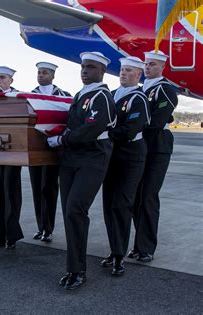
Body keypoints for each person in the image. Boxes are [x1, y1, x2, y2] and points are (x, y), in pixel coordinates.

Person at [47, 52, 116, 290]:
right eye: (83, 67)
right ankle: (73, 267)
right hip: (71, 159)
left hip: (93, 157)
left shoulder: (102, 96)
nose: (85, 71)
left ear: (102, 71)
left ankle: (77, 270)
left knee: (76, 209)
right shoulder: (80, 95)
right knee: (68, 212)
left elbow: (91, 127)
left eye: (91, 67)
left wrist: (62, 139)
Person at [100, 56, 149, 276]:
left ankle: (120, 256)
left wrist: (102, 132)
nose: (123, 73)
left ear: (139, 75)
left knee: (121, 205)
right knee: (109, 204)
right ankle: (114, 250)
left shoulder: (139, 98)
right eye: (122, 70)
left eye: (129, 71)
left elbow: (129, 130)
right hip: (111, 156)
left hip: (130, 156)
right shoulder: (112, 95)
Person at [129, 50, 178, 262]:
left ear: (162, 68)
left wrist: (132, 128)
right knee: (136, 196)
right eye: (146, 65)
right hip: (140, 147)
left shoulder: (165, 89)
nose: (148, 68)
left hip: (157, 147)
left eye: (152, 65)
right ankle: (139, 245)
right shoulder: (140, 90)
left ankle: (146, 247)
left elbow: (157, 121)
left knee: (148, 196)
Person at [29, 62, 71, 243]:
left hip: (53, 149)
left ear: (52, 75)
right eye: (39, 72)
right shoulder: (29, 96)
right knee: (37, 188)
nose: (40, 75)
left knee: (49, 189)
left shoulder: (64, 96)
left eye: (44, 72)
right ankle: (41, 226)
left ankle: (48, 228)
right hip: (34, 149)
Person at [0, 66, 23, 249]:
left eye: (2, 77)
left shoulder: (19, 98)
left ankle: (11, 235)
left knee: (10, 193)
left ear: (11, 80)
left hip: (12, 151)